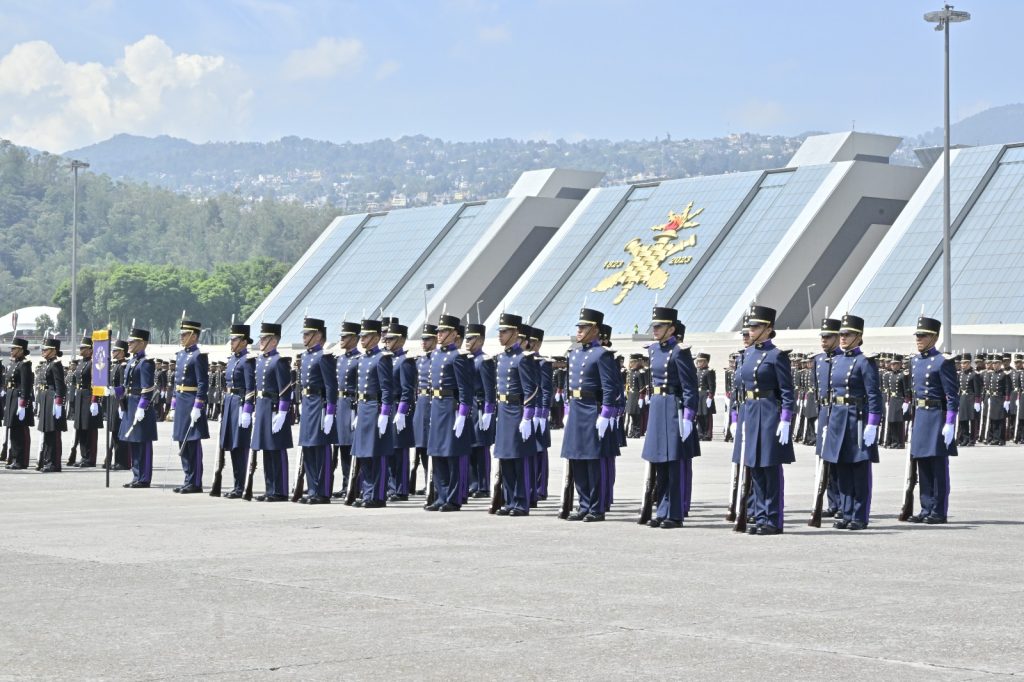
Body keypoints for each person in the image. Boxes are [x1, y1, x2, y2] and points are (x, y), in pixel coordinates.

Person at [733, 305, 795, 535]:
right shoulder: (747, 355)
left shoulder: (776, 356)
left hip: (769, 413)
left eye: (756, 326)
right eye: (750, 325)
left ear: (768, 329)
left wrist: (786, 419)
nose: (751, 330)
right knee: (754, 467)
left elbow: (787, 391)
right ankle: (759, 516)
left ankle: (772, 519)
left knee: (769, 468)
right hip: (749, 412)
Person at [820, 314, 882, 530]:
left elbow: (874, 395)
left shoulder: (865, 362)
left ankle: (859, 514)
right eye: (841, 334)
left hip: (857, 419)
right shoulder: (835, 361)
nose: (843, 338)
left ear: (859, 336)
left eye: (847, 334)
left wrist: (873, 424)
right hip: (838, 418)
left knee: (858, 470)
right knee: (842, 467)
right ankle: (845, 512)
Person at [640, 306, 699, 529]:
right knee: (659, 464)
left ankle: (674, 514)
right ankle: (661, 510)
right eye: (654, 326)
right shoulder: (653, 350)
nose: (655, 329)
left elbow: (690, 387)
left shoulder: (680, 352)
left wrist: (688, 416)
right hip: (657, 406)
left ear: (671, 329)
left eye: (660, 326)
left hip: (674, 407)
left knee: (673, 464)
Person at [560, 308, 617, 522]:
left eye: (583, 327)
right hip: (576, 409)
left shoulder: (602, 354)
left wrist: (606, 414)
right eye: (579, 327)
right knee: (577, 459)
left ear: (595, 329)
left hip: (591, 409)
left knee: (593, 461)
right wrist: (566, 409)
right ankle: (583, 505)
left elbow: (610, 387)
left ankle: (596, 507)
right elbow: (568, 384)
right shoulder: (574, 354)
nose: (579, 330)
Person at [906, 316, 958, 524]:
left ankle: (938, 510)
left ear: (934, 337)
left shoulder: (942, 362)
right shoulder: (914, 361)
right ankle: (925, 507)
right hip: (920, 417)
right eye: (917, 335)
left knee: (937, 466)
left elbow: (952, 396)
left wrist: (950, 422)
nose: (918, 339)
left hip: (936, 416)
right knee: (922, 465)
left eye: (923, 335)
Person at [424, 315, 474, 511]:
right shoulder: (434, 356)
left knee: (451, 454)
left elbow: (465, 389)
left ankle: (453, 498)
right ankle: (440, 495)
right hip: (436, 406)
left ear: (454, 334)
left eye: (443, 331)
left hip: (450, 406)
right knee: (436, 453)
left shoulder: (458, 357)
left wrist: (462, 414)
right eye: (438, 331)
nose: (439, 335)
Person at [493, 313, 538, 517]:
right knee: (505, 459)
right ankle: (509, 499)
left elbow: (531, 389)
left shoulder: (523, 359)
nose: (500, 335)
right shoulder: (501, 358)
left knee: (518, 459)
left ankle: (521, 502)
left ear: (515, 333)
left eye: (504, 332)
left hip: (516, 410)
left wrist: (527, 416)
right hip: (503, 410)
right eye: (500, 331)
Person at [351, 319, 394, 508]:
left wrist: (384, 413)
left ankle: (378, 495)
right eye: (361, 336)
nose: (362, 339)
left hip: (375, 408)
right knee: (364, 455)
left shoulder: (382, 358)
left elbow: (387, 389)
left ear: (376, 337)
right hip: (363, 407)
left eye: (366, 336)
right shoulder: (361, 359)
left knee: (376, 454)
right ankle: (367, 492)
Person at [296, 317, 338, 504]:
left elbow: (330, 386)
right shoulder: (305, 357)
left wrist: (330, 411)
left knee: (320, 448)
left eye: (307, 334)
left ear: (318, 335)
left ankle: (323, 491)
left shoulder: (324, 357)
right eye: (304, 334)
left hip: (319, 404)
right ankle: (312, 488)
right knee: (308, 447)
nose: (304, 337)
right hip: (307, 403)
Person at [251, 322, 293, 502]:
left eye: (265, 338)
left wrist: (282, 412)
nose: (261, 341)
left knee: (276, 450)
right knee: (266, 451)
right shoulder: (260, 360)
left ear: (274, 341)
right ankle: (270, 488)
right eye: (261, 338)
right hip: (262, 407)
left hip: (273, 409)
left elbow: (285, 390)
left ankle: (280, 490)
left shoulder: (279, 362)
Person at [171, 320, 210, 493]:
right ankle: (187, 478)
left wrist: (198, 405)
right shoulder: (180, 355)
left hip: (191, 400)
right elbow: (176, 381)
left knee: (192, 443)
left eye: (185, 335)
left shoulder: (198, 356)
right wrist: (173, 402)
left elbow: (203, 383)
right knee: (182, 442)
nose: (181, 337)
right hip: (181, 401)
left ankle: (195, 481)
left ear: (194, 336)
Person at [118, 328, 159, 488]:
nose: (129, 343)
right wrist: (114, 391)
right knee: (133, 442)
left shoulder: (146, 363)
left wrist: (142, 406)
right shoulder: (131, 361)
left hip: (141, 406)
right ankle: (136, 475)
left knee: (143, 443)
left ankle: (144, 477)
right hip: (130, 403)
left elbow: (147, 388)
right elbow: (127, 385)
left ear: (142, 343)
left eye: (132, 341)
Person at [218, 324, 255, 499]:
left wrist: (247, 409)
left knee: (240, 446)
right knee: (232, 446)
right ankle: (236, 485)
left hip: (240, 404)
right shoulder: (232, 360)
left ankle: (242, 485)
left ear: (244, 341)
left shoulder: (247, 361)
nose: (231, 342)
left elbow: (251, 388)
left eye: (234, 339)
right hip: (230, 404)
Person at [813, 318, 842, 518]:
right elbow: (817, 389)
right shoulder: (818, 360)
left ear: (838, 337)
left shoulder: (843, 358)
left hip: (839, 413)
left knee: (839, 459)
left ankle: (842, 503)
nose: (824, 340)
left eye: (828, 336)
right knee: (826, 460)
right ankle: (832, 503)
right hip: (824, 412)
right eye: (822, 336)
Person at [384, 321, 415, 501]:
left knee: (399, 451)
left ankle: (401, 488)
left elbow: (407, 390)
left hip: (398, 408)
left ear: (401, 340)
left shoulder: (405, 362)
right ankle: (390, 486)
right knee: (389, 449)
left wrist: (402, 411)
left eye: (392, 339)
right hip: (388, 408)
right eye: (386, 338)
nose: (387, 341)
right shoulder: (388, 359)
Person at [464, 322, 495, 498]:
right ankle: (471, 483)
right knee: (469, 446)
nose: (467, 342)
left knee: (481, 447)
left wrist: (489, 412)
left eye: (470, 338)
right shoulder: (467, 359)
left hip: (480, 407)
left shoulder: (484, 361)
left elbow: (490, 389)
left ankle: (483, 486)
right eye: (466, 338)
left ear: (480, 340)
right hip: (468, 406)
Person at [332, 321, 361, 499]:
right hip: (340, 405)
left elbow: (361, 387)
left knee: (352, 448)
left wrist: (356, 410)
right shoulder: (340, 359)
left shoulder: (359, 360)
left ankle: (355, 484)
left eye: (345, 337)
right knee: (342, 447)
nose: (341, 340)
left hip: (351, 404)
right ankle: (345, 484)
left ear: (355, 338)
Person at [409, 323, 437, 496]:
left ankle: (431, 482)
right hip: (420, 403)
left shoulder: (437, 359)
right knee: (419, 447)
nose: (423, 342)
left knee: (429, 447)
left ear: (434, 340)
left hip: (432, 403)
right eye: (422, 339)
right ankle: (424, 481)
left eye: (427, 339)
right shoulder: (419, 360)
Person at [525, 325, 552, 504]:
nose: (530, 345)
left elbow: (546, 390)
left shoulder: (542, 363)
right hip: (526, 412)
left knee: (540, 451)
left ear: (539, 343)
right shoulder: (524, 361)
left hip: (539, 413)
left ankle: (541, 488)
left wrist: (542, 414)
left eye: (533, 342)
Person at [36, 337, 67, 473]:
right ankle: (47, 461)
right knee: (47, 431)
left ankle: (54, 463)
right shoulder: (47, 363)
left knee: (53, 432)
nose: (43, 351)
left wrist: (59, 402)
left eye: (46, 349)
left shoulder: (56, 364)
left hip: (53, 399)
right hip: (46, 399)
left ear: (54, 350)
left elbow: (60, 385)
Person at [4, 338, 34, 470]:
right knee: (13, 430)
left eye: (14, 348)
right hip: (11, 397)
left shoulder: (25, 365)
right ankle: (15, 458)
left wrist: (23, 403)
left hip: (19, 399)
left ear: (21, 350)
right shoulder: (13, 364)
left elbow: (26, 386)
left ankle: (22, 460)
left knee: (20, 430)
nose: (11, 351)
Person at [106, 339, 131, 471]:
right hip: (114, 401)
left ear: (122, 352)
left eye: (116, 350)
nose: (113, 352)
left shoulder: (124, 366)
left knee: (121, 433)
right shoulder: (115, 365)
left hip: (120, 401)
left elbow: (123, 387)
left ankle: (123, 461)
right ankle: (116, 460)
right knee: (115, 431)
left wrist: (122, 405)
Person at [695, 352, 716, 441]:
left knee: (707, 415)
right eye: (698, 361)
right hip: (699, 395)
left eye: (701, 361)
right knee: (699, 415)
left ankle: (708, 434)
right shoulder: (697, 372)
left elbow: (712, 385)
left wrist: (710, 396)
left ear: (706, 362)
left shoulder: (709, 372)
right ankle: (700, 433)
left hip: (706, 395)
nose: (699, 363)